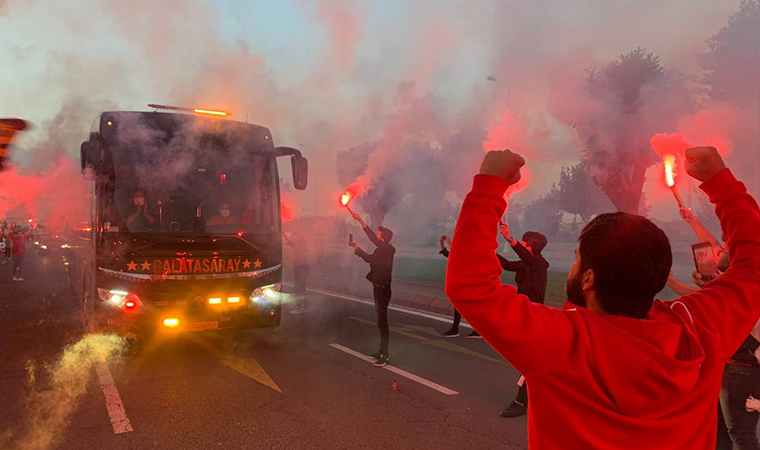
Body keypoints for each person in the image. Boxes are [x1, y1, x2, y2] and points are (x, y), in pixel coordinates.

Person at [445, 147, 760, 448]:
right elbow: (753, 267)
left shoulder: (561, 341)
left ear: (589, 278)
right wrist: (722, 183)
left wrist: (488, 186)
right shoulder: (700, 329)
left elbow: (470, 286)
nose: (572, 265)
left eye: (576, 258)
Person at [669, 208, 759, 450]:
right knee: (720, 433)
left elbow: (700, 296)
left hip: (743, 370)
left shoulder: (739, 285)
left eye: (724, 247)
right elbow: (715, 245)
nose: (718, 247)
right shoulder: (737, 279)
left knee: (740, 435)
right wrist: (692, 220)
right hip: (731, 367)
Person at [496, 222, 549, 419]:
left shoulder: (540, 264)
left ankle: (521, 402)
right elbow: (508, 265)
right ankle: (535, 397)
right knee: (530, 360)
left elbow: (525, 257)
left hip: (535, 316)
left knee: (531, 360)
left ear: (530, 247)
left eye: (524, 243)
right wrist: (487, 250)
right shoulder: (527, 262)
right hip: (524, 315)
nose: (522, 246)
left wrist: (510, 239)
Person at [348, 212, 396, 367]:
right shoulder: (380, 251)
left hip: (383, 290)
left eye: (379, 233)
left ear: (383, 237)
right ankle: (381, 351)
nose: (377, 234)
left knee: (383, 321)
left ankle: (385, 354)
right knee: (379, 320)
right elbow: (369, 258)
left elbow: (371, 237)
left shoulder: (389, 249)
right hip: (377, 288)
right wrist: (356, 247)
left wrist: (360, 219)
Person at [440, 234, 481, 338]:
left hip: (469, 283)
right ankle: (457, 328)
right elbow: (449, 254)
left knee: (469, 307)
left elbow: (456, 251)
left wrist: (448, 241)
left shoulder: (470, 251)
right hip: (463, 283)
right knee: (459, 306)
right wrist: (442, 244)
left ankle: (477, 329)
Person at [284, 231, 310, 315]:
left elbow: (302, 259)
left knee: (298, 289)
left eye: (296, 236)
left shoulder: (301, 246)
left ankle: (298, 307)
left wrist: (295, 265)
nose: (294, 237)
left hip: (301, 270)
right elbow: (290, 242)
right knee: (302, 289)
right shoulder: (300, 245)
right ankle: (304, 307)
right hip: (302, 270)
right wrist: (284, 235)